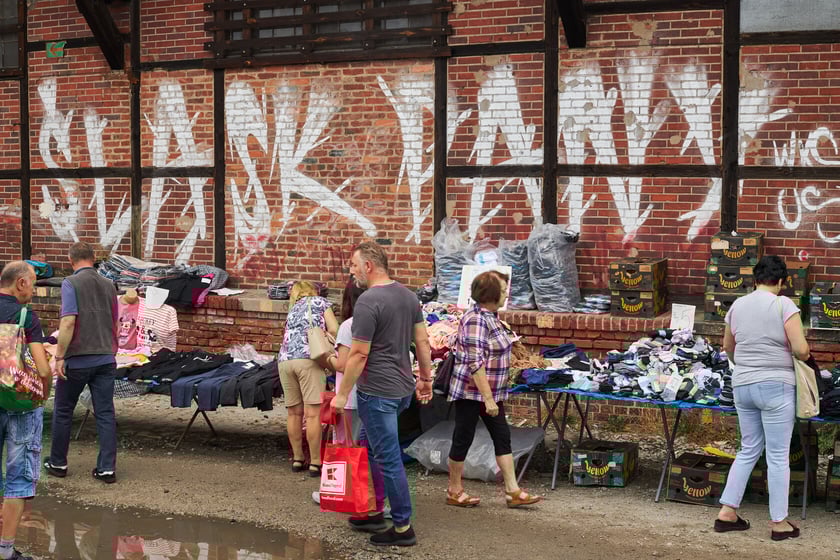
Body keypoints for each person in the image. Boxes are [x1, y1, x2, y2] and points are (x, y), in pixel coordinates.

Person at [330, 242, 433, 547]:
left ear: (369, 266)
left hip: (377, 392)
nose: (351, 270)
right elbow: (423, 342)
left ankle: (402, 527)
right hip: (401, 390)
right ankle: (373, 510)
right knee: (369, 446)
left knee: (387, 457)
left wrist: (340, 395)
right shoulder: (408, 295)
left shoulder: (367, 301)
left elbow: (359, 354)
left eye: (353, 264)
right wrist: (424, 378)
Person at [715, 255, 810, 541]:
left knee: (748, 449)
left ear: (754, 280)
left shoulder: (738, 306)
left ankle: (727, 512)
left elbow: (728, 347)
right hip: (776, 385)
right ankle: (779, 522)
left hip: (742, 384)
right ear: (781, 282)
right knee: (778, 455)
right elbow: (801, 349)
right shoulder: (784, 305)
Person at [445, 270, 541, 509]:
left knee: (502, 436)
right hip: (473, 392)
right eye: (503, 289)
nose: (507, 293)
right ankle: (454, 490)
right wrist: (487, 400)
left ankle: (513, 491)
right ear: (490, 293)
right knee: (463, 437)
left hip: (491, 393)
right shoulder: (476, 320)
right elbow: (475, 362)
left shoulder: (490, 316)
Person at [46, 242, 120, 484]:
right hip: (106, 357)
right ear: (93, 258)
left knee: (64, 410)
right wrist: (113, 349)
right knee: (106, 412)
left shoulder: (70, 283)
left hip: (77, 359)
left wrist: (59, 356)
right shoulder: (110, 285)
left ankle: (58, 462)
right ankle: (107, 469)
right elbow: (115, 323)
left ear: (71, 260)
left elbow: (68, 322)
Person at [0, 261, 52, 560]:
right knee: (17, 477)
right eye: (32, 283)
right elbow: (42, 368)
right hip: (19, 403)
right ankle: (6, 550)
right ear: (20, 283)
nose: (33, 289)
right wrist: (44, 391)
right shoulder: (25, 316)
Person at [278, 280, 338, 477]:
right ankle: (315, 463)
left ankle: (297, 459)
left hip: (285, 362)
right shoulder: (320, 302)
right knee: (312, 415)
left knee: (294, 413)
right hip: (308, 360)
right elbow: (335, 329)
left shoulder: (293, 308)